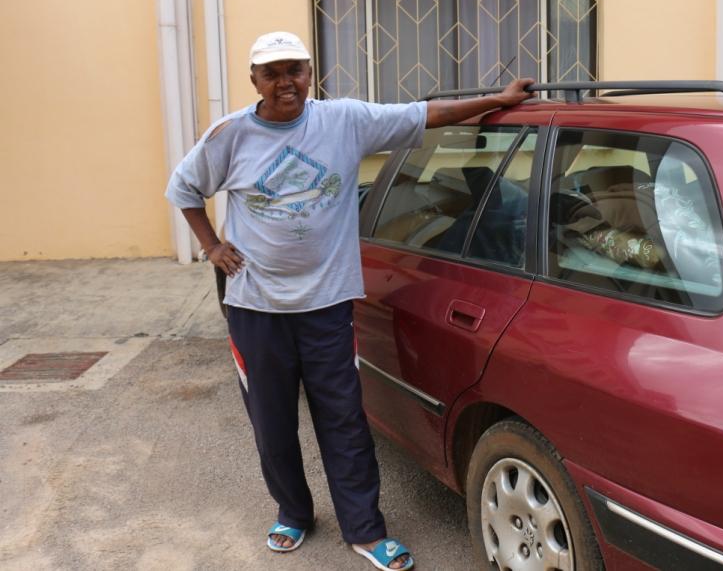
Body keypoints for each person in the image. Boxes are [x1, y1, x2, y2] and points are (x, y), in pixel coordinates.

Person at [165, 30, 533, 571]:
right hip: (256, 309)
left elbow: (424, 114)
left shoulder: (343, 121)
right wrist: (212, 246)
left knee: (344, 421)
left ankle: (364, 529)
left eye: (295, 69)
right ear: (254, 81)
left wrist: (497, 102)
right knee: (272, 423)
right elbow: (183, 188)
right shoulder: (230, 135)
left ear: (310, 73)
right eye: (273, 73)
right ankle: (293, 513)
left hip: (327, 306)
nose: (285, 82)